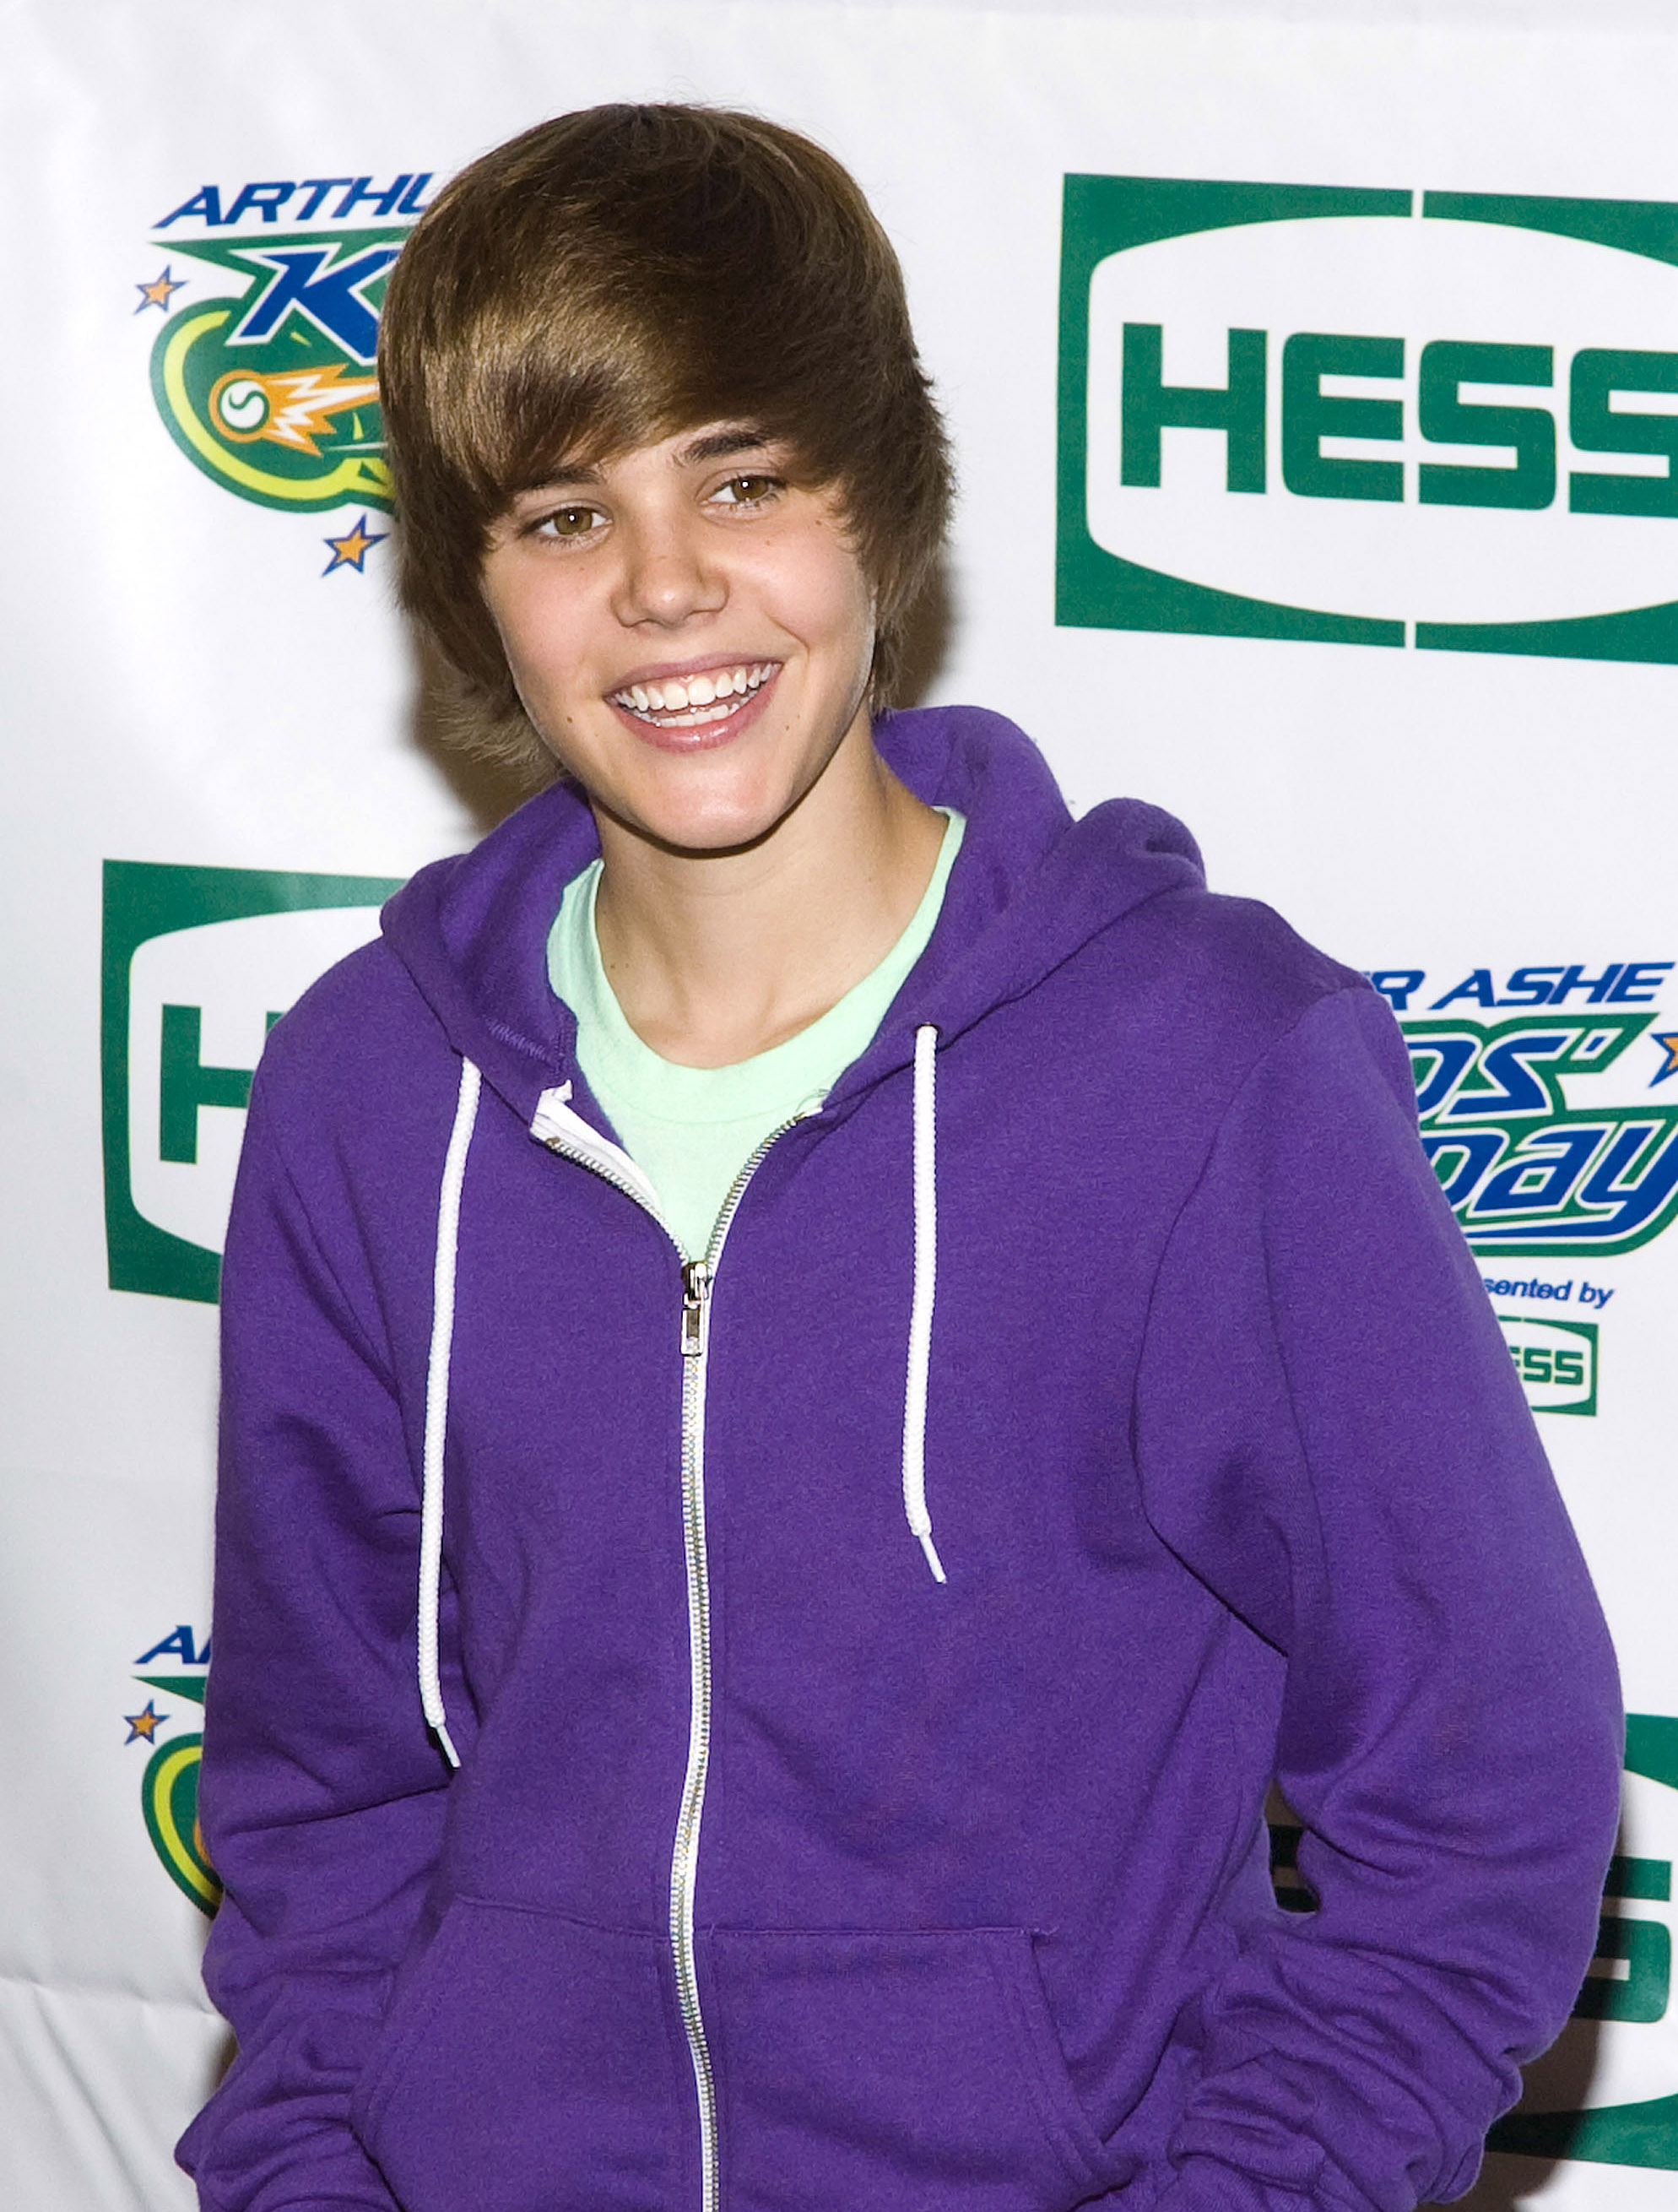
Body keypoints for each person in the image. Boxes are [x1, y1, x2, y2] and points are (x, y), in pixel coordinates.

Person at [179, 104, 1621, 2212]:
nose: (667, 585)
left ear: (882, 498)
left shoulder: (1210, 1066)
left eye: (741, 476)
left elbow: (1481, 1790)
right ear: (470, 585)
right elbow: (321, 1801)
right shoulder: (370, 1088)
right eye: (564, 516)